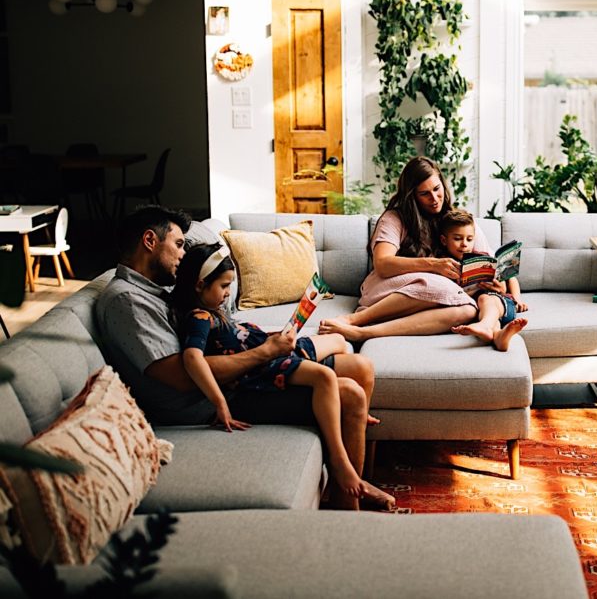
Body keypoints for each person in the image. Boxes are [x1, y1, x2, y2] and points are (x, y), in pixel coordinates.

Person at [95, 205, 392, 510]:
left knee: (355, 365)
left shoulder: (157, 288)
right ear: (149, 241)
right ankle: (348, 504)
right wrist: (263, 353)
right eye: (179, 244)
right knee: (350, 396)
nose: (183, 255)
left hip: (234, 376)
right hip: (209, 402)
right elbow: (182, 378)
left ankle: (354, 484)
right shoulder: (127, 301)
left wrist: (264, 344)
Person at [168, 242, 382, 507]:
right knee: (326, 378)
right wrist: (219, 402)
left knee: (347, 350)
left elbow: (234, 341)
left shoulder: (213, 311)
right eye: (223, 286)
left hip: (269, 356)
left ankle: (357, 421)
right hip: (262, 369)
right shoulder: (199, 317)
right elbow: (192, 357)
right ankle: (340, 463)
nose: (227, 294)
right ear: (199, 285)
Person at [318, 156, 481, 342]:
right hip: (387, 290)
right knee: (435, 283)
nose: (435, 199)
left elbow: (488, 261)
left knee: (468, 310)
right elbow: (382, 264)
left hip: (435, 296)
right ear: (412, 196)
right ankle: (354, 320)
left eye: (437, 189)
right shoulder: (394, 219)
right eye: (424, 194)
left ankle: (364, 333)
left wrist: (493, 281)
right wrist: (433, 265)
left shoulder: (455, 220)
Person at [437, 209, 528, 352]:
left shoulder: (483, 257)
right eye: (457, 238)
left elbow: (510, 277)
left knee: (486, 298)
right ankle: (498, 336)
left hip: (502, 304)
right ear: (444, 240)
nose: (464, 244)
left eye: (469, 239)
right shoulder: (442, 265)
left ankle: (485, 325)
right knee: (488, 313)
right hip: (476, 313)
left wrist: (518, 300)